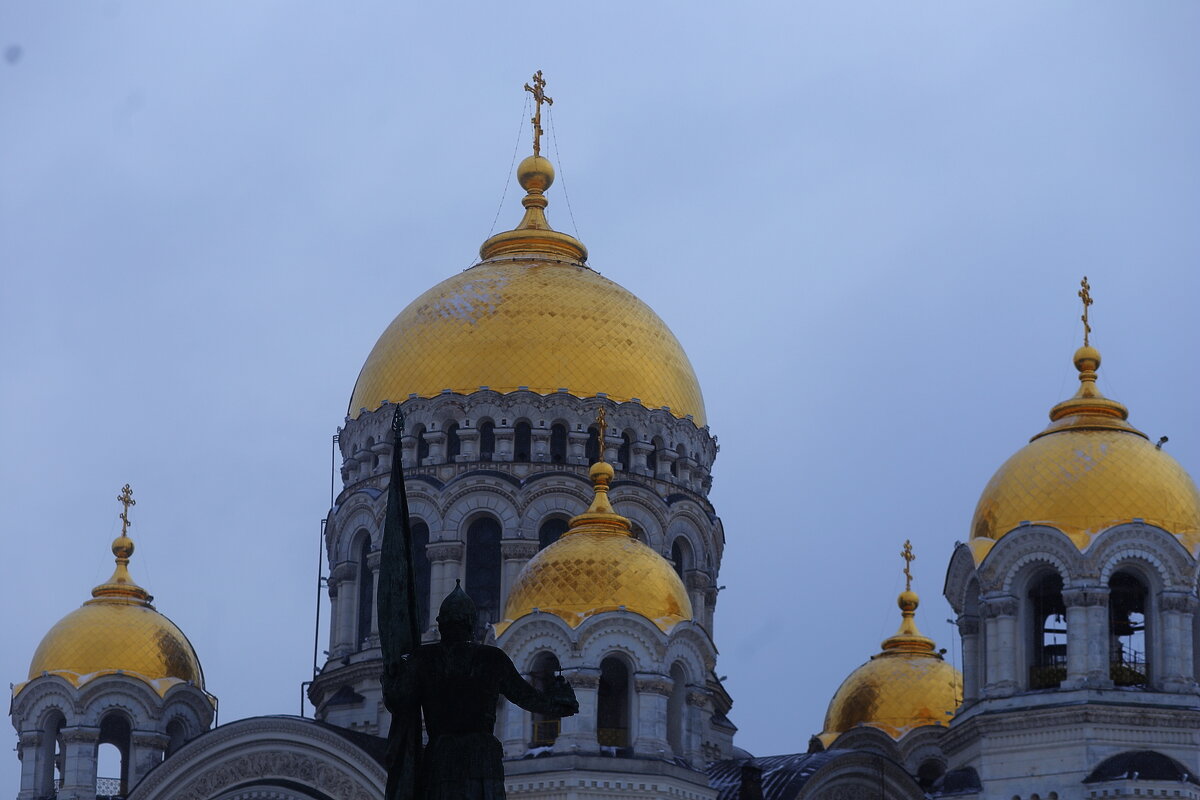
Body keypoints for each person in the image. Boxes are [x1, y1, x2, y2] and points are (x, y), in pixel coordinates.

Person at [383, 581, 579, 800]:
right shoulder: (492, 658)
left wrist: (390, 672)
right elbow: (526, 697)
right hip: (483, 758)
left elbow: (398, 700)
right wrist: (560, 702)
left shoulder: (423, 659)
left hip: (442, 757)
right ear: (470, 623)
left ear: (441, 624)